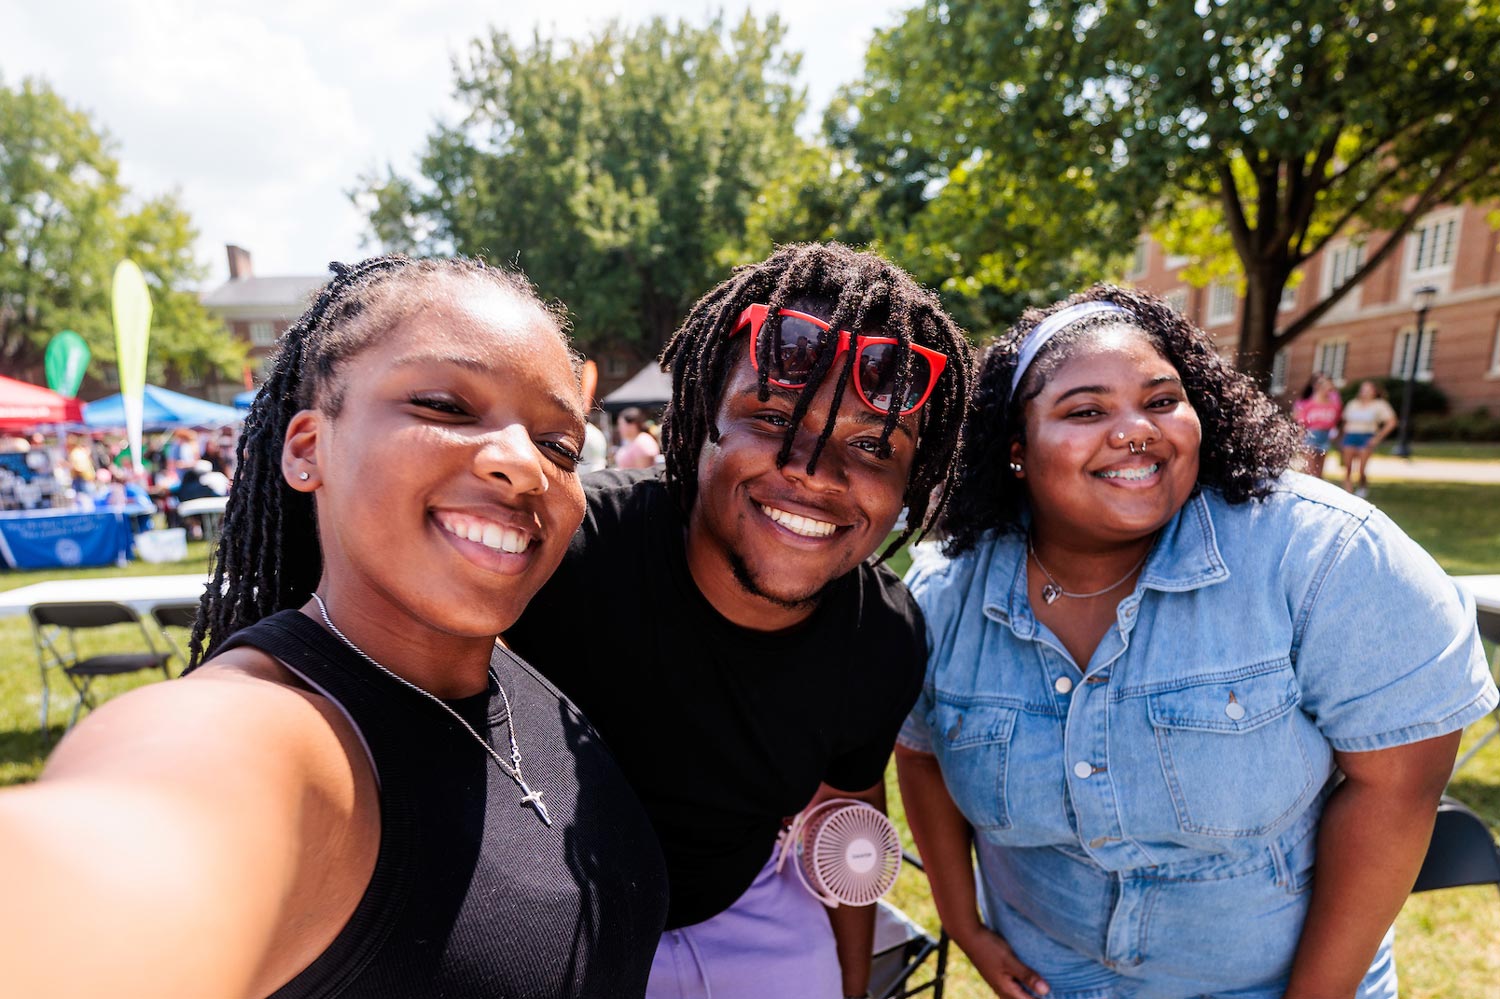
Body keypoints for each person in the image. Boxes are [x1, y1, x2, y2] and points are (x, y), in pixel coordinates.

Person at [0, 255, 668, 999]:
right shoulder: (279, 738)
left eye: (559, 445)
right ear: (307, 448)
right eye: (446, 404)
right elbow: (100, 873)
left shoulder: (507, 666)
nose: (524, 463)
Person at [896, 285, 1497, 999]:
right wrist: (963, 920)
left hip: (1276, 982)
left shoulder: (1322, 556)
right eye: (1086, 410)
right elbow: (924, 749)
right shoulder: (948, 595)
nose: (1134, 430)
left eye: (1160, 400)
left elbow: (1397, 791)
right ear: (1015, 450)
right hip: (1053, 980)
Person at [505, 242, 973, 999]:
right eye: (775, 415)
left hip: (749, 908)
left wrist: (852, 989)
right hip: (552, 920)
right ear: (698, 418)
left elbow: (847, 806)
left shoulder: (884, 633)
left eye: (871, 444)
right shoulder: (567, 548)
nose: (813, 471)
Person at [1339, 379, 1397, 497]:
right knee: (1348, 467)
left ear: (1374, 392)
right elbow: (1345, 422)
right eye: (1363, 389)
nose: (1365, 392)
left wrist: (1378, 438)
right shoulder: (1353, 404)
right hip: (1351, 435)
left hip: (1366, 436)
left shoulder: (1379, 405)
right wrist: (1342, 438)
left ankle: (1362, 487)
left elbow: (1392, 422)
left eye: (1368, 390)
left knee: (1361, 469)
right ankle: (1348, 492)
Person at [1292, 373, 1342, 478]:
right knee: (1310, 468)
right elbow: (1301, 422)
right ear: (1318, 387)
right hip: (1312, 434)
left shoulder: (1334, 404)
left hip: (1325, 435)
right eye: (1327, 387)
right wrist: (1300, 437)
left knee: (1320, 469)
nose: (1330, 390)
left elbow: (1336, 419)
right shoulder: (1308, 404)